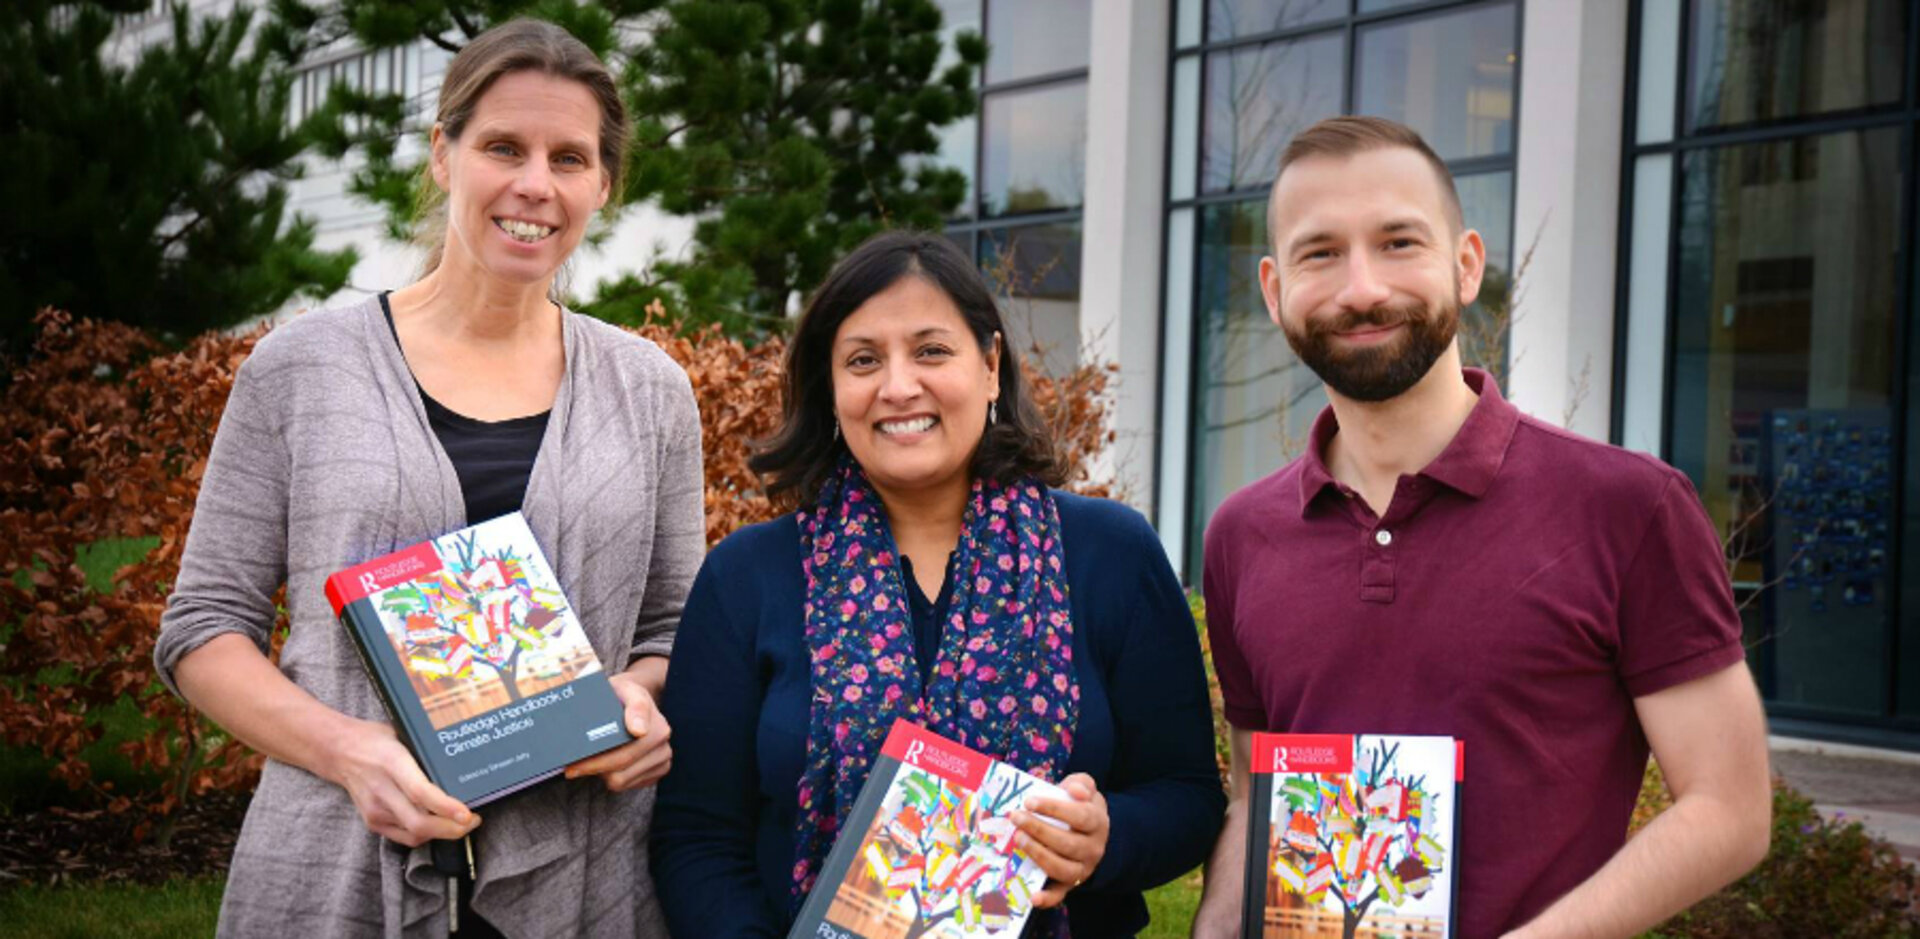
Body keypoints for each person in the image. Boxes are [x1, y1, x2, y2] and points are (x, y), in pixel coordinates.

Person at [152, 20, 704, 937]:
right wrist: (350, 751)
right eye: (502, 147)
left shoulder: (651, 391)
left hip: (585, 871)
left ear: (602, 185)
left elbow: (674, 627)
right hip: (333, 863)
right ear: (444, 155)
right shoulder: (301, 368)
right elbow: (204, 627)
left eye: (569, 158)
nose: (535, 183)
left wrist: (640, 698)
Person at [1190, 116, 1772, 938]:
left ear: (1466, 266)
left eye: (1398, 242)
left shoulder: (1629, 507)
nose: (1362, 287)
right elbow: (1258, 795)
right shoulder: (1242, 535)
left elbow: (1729, 808)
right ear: (1274, 290)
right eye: (1320, 253)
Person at [650, 230, 1225, 937]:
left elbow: (1189, 797)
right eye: (863, 359)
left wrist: (1107, 838)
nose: (898, 386)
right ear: (831, 390)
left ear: (989, 367)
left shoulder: (1109, 554)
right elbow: (696, 838)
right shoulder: (747, 577)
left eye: (931, 350)